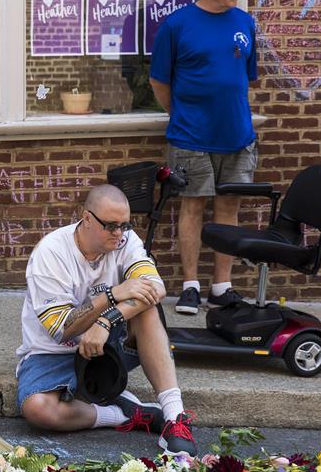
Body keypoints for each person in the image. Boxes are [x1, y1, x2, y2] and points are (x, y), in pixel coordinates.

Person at [16, 184, 198, 456]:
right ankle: (122, 414)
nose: (119, 234)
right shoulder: (51, 253)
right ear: (86, 218)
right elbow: (62, 329)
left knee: (146, 305)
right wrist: (111, 295)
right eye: (111, 226)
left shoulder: (126, 240)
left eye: (125, 224)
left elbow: (156, 289)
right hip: (53, 353)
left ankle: (174, 418)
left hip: (107, 344)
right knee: (37, 410)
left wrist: (106, 321)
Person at [150, 0, 259, 315]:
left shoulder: (245, 23)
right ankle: (191, 285)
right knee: (193, 206)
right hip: (190, 136)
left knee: (229, 208)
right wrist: (181, 113)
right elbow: (159, 80)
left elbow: (246, 77)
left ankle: (221, 286)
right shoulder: (177, 25)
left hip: (238, 136)